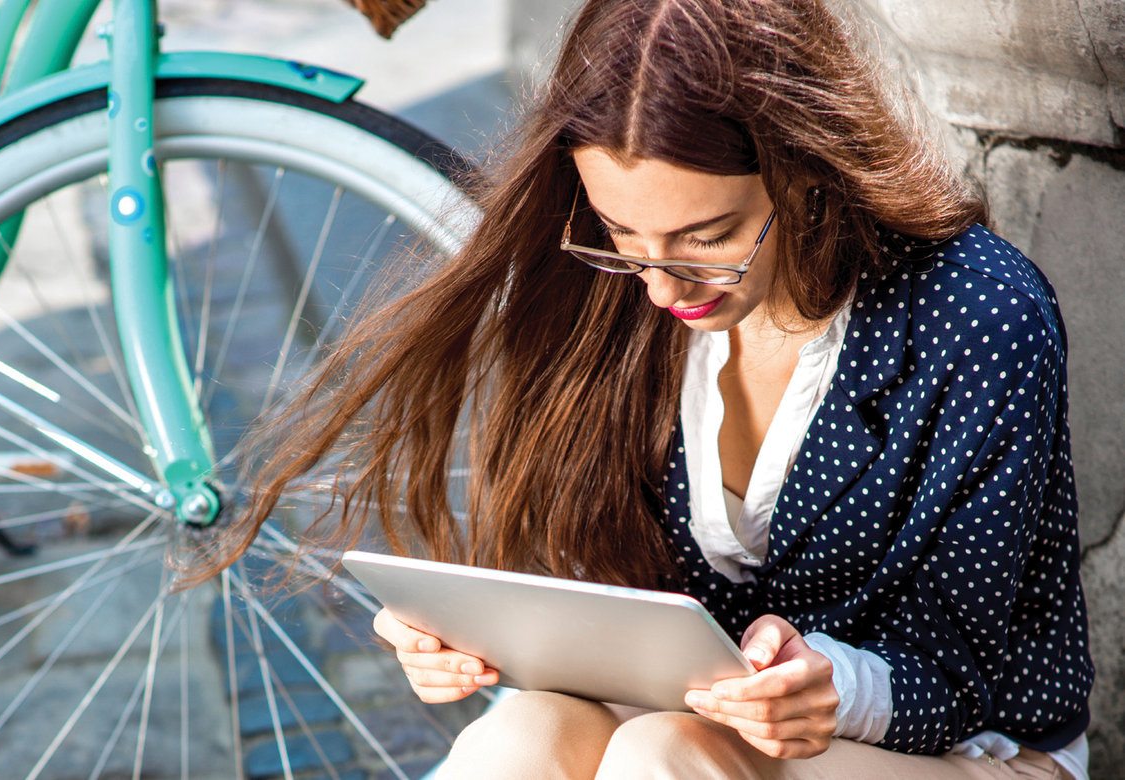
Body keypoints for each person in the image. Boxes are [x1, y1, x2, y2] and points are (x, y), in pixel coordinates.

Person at [217, 0, 1094, 776]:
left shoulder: (977, 313)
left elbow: (965, 674)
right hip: (692, 719)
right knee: (521, 733)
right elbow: (599, 587)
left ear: (806, 167)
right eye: (622, 233)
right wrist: (467, 634)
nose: (663, 286)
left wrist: (831, 690)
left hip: (960, 746)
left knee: (661, 756)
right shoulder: (614, 291)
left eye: (710, 235)